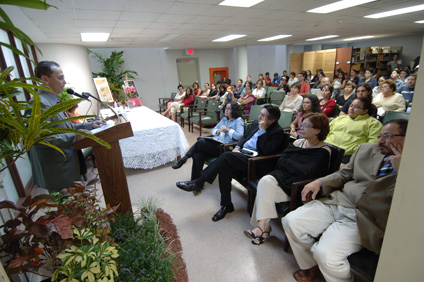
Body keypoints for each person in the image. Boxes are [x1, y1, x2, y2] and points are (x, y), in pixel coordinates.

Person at [282, 119, 408, 282]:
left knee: (325, 254)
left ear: (407, 138)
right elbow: (344, 174)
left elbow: (403, 205)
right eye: (380, 136)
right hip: (339, 200)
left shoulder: (413, 168)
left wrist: (401, 172)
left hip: (365, 217)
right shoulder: (366, 149)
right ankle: (310, 265)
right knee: (291, 221)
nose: (381, 141)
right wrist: (320, 182)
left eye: (388, 136)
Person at [176, 105, 285, 222]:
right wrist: (238, 147)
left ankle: (199, 182)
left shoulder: (277, 132)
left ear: (272, 120)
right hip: (243, 154)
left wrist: (263, 131)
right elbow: (244, 137)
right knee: (224, 167)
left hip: (256, 161)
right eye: (260, 114)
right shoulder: (255, 123)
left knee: (226, 157)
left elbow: (267, 151)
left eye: (263, 116)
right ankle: (227, 205)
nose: (259, 117)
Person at [245, 113, 331, 245]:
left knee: (265, 188)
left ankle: (262, 229)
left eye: (306, 126)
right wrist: (291, 167)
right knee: (265, 181)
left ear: (318, 130)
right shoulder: (298, 142)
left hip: (297, 188)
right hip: (283, 179)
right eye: (301, 124)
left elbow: (306, 173)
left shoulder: (324, 152)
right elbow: (282, 162)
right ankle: (263, 227)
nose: (300, 128)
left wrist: (290, 166)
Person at [29, 61, 106, 193]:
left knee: (76, 208)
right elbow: (39, 138)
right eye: (60, 78)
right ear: (44, 79)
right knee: (68, 210)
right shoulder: (38, 104)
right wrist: (74, 137)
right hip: (57, 171)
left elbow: (64, 128)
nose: (64, 82)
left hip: (67, 165)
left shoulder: (52, 100)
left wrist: (90, 124)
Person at [172, 101, 244, 180]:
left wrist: (228, 130)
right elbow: (212, 130)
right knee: (197, 155)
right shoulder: (224, 119)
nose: (226, 110)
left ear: (234, 110)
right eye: (226, 108)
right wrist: (218, 131)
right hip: (217, 144)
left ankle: (185, 158)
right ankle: (195, 183)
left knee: (202, 141)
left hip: (225, 147)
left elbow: (240, 136)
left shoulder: (238, 120)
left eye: (229, 109)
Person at [326, 97, 382, 164]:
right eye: (351, 106)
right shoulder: (339, 119)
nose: (351, 109)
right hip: (327, 151)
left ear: (365, 110)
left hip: (351, 156)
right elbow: (325, 132)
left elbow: (373, 143)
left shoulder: (373, 123)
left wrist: (358, 154)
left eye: (356, 107)